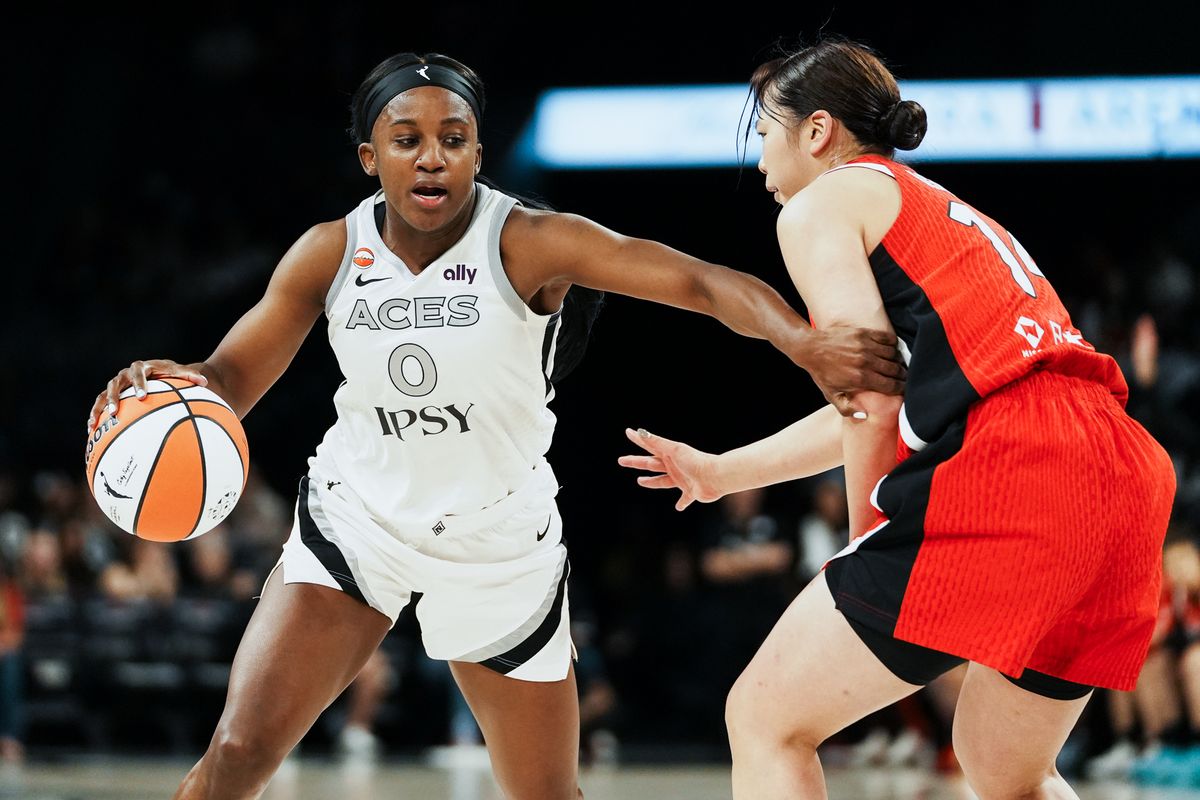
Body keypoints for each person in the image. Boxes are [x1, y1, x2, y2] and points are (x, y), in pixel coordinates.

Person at [85, 52, 902, 800]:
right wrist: (177, 386)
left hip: (499, 544)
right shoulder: (329, 253)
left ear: (478, 152)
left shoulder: (530, 242)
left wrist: (802, 342)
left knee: (545, 795)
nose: (431, 157)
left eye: (454, 139)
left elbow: (699, 282)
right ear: (370, 157)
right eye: (406, 140)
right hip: (358, 523)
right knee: (236, 752)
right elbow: (229, 378)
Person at [619, 36, 1177, 799]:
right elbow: (892, 394)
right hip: (1118, 471)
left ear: (816, 132)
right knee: (1006, 770)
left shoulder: (821, 204)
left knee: (764, 719)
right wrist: (723, 472)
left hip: (1020, 459)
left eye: (765, 133)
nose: (761, 162)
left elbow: (869, 402)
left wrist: (862, 547)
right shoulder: (940, 209)